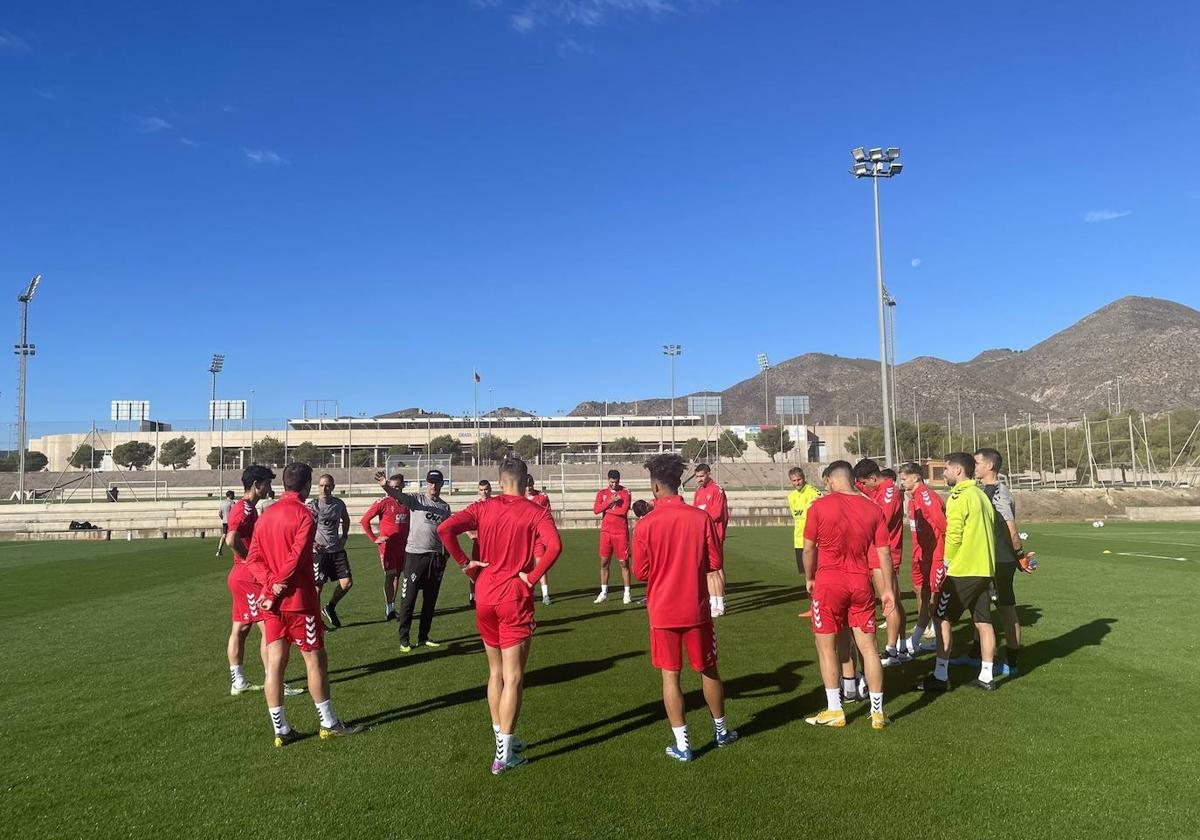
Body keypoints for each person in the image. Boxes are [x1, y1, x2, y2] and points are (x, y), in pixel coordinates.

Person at [437, 456, 562, 775]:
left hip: (485, 594)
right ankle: (504, 754)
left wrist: (465, 563)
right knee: (515, 676)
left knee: (495, 674)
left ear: (501, 480)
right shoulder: (536, 511)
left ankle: (504, 740)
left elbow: (445, 528)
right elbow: (555, 547)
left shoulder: (483, 507)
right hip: (514, 597)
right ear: (526, 480)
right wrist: (532, 579)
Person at [245, 462, 362, 746]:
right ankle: (329, 722)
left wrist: (269, 585)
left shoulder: (265, 515)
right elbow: (297, 558)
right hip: (298, 601)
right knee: (315, 661)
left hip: (272, 607)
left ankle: (281, 730)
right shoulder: (304, 516)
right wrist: (276, 585)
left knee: (275, 665)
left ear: (284, 484)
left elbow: (252, 559)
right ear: (308, 485)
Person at [634, 453, 737, 760]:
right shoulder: (700, 518)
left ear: (654, 487)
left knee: (670, 676)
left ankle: (683, 744)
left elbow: (640, 572)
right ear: (678, 483)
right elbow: (714, 563)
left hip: (663, 611)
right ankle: (721, 732)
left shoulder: (645, 525)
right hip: (696, 609)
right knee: (708, 669)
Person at [801, 460, 895, 729]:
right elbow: (883, 553)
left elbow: (809, 549)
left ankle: (835, 709)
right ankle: (877, 712)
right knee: (869, 648)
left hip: (829, 582)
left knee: (826, 646)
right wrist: (887, 589)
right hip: (861, 583)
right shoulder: (873, 508)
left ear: (831, 480)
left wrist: (809, 577)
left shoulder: (819, 506)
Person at [919, 453, 998, 692]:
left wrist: (945, 563)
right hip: (985, 569)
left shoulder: (958, 496)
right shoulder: (982, 495)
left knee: (942, 618)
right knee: (983, 621)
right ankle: (987, 676)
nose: (943, 474)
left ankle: (941, 676)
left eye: (946, 469)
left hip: (964, 570)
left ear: (958, 471)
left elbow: (954, 534)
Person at [974, 448, 1035, 677]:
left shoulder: (999, 492)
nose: (975, 466)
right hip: (986, 558)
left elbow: (1010, 528)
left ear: (990, 466)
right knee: (980, 608)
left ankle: (1012, 662)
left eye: (978, 462)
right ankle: (975, 654)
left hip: (1001, 560)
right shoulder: (983, 490)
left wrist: (1020, 554)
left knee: (1006, 609)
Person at [377, 469, 453, 652]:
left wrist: (446, 554)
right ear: (426, 483)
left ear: (442, 484)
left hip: (435, 558)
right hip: (414, 556)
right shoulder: (417, 500)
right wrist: (386, 486)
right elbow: (398, 494)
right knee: (408, 600)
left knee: (430, 600)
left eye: (436, 482)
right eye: (429, 482)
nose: (432, 486)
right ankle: (404, 639)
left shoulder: (445, 507)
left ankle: (423, 637)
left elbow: (447, 533)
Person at [225, 466, 276, 696]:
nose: (270, 488)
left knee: (241, 628)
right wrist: (249, 561)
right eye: (267, 483)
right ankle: (272, 680)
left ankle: (239, 682)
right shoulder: (243, 509)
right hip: (246, 577)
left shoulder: (249, 509)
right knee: (269, 628)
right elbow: (230, 539)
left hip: (240, 576)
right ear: (256, 484)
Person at [854, 458, 908, 666]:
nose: (863, 487)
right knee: (894, 599)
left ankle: (892, 650)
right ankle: (901, 648)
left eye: (864, 482)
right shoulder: (877, 489)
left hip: (884, 556)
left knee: (889, 601)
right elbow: (860, 488)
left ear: (873, 478)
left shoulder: (888, 492)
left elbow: (879, 521)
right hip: (877, 555)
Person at [898, 462, 947, 655]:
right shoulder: (912, 499)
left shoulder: (926, 496)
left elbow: (944, 526)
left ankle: (937, 638)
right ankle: (918, 637)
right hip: (921, 555)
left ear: (915, 478)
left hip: (935, 556)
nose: (901, 483)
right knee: (924, 595)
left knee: (934, 596)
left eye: (903, 479)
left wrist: (943, 556)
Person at [360, 475, 411, 622]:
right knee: (390, 575)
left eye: (397, 487)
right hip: (387, 547)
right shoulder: (384, 502)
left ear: (402, 486)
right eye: (392, 487)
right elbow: (364, 521)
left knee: (397, 576)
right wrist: (375, 539)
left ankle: (392, 606)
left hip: (404, 547)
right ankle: (389, 608)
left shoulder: (407, 502)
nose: (394, 490)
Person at [309, 474, 352, 630]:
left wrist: (344, 536)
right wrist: (312, 543)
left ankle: (330, 607)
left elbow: (346, 519)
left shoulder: (338, 504)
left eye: (327, 485)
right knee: (317, 588)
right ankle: (317, 623)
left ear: (333, 487)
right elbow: (304, 527)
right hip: (319, 553)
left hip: (337, 550)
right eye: (321, 485)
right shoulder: (312, 505)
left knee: (347, 583)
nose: (324, 489)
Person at [691, 463, 729, 617]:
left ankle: (719, 603)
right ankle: (714, 601)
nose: (699, 479)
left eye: (702, 476)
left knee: (715, 569)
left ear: (708, 474)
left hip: (715, 534)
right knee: (709, 569)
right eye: (697, 477)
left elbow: (717, 513)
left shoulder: (717, 489)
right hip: (703, 533)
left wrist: (700, 517)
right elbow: (695, 511)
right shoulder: (698, 491)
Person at [593, 469, 633, 605]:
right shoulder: (602, 493)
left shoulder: (626, 493)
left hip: (620, 533)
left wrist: (607, 509)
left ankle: (627, 593)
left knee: (624, 563)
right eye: (611, 482)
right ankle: (604, 592)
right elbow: (596, 510)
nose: (613, 485)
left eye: (615, 482)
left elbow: (623, 511)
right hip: (606, 533)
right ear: (608, 480)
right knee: (604, 563)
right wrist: (610, 502)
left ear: (619, 481)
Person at [787, 467, 821, 618]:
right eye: (794, 481)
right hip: (799, 541)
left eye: (799, 479)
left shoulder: (814, 493)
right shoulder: (791, 496)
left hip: (814, 541)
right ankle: (813, 608)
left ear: (804, 477)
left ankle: (821, 606)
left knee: (818, 575)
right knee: (808, 576)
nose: (797, 483)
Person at [523, 475, 554, 605]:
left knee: (541, 564)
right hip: (524, 538)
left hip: (538, 538)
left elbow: (548, 515)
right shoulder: (520, 498)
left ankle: (545, 594)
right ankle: (526, 592)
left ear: (533, 484)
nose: (528, 487)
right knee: (524, 566)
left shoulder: (542, 497)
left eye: (530, 484)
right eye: (526, 485)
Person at [465, 479, 493, 606]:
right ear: (478, 491)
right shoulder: (475, 506)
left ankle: (490, 595)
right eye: (481, 490)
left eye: (486, 489)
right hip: (479, 545)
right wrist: (471, 534)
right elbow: (463, 521)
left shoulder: (496, 504)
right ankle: (473, 596)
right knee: (474, 570)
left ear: (490, 489)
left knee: (492, 570)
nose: (484, 492)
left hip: (493, 545)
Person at [216, 490, 236, 557]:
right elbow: (235, 512)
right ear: (230, 495)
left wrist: (223, 518)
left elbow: (219, 513)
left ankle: (219, 550)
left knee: (224, 535)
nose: (234, 496)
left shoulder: (222, 503)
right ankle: (236, 551)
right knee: (234, 535)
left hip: (224, 521)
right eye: (233, 495)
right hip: (231, 522)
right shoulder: (232, 503)